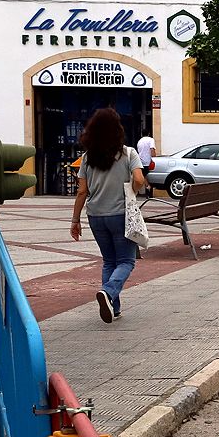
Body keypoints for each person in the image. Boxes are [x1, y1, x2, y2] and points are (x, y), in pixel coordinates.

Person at [69, 107, 146, 324]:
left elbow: (82, 191)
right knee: (126, 261)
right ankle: (108, 292)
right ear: (118, 129)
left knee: (109, 261)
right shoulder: (128, 153)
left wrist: (75, 220)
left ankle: (114, 307)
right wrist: (132, 190)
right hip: (121, 214)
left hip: (96, 216)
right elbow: (139, 179)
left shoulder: (86, 158)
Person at [135, 130, 156, 198]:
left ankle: (148, 190)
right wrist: (154, 158)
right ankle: (148, 188)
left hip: (140, 161)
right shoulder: (150, 140)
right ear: (149, 133)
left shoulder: (139, 141)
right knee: (147, 175)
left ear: (142, 134)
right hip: (148, 161)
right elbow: (152, 149)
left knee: (144, 175)